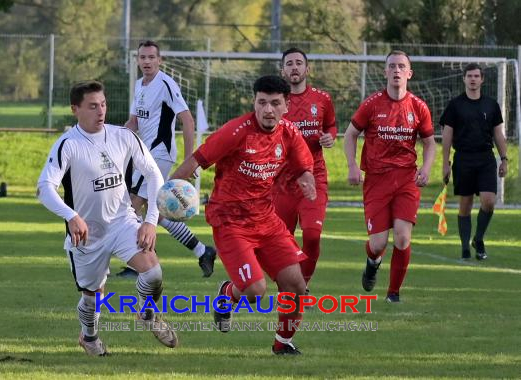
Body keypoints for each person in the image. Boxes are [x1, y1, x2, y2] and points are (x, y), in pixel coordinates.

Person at [170, 75, 316, 355]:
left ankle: (282, 345)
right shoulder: (236, 131)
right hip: (230, 221)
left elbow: (303, 166)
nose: (268, 110)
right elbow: (196, 161)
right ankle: (226, 295)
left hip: (266, 220)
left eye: (275, 103)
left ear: (286, 105)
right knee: (254, 291)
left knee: (296, 287)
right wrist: (169, 193)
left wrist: (307, 177)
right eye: (262, 103)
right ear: (254, 103)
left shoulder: (289, 133)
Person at [37, 80, 178, 356]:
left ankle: (146, 314)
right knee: (93, 296)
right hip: (88, 234)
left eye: (103, 104)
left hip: (123, 221)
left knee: (153, 272)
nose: (100, 111)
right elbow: (44, 188)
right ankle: (89, 337)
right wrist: (72, 216)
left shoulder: (123, 136)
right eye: (92, 106)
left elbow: (153, 174)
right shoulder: (67, 144)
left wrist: (150, 220)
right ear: (75, 109)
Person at [343, 50, 436, 303]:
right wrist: (352, 166)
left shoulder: (418, 107)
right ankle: (373, 261)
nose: (396, 70)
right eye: (392, 66)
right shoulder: (372, 104)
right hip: (376, 180)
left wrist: (426, 169)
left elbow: (430, 143)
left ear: (409, 73)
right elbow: (350, 134)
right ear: (385, 72)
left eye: (401, 66)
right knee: (378, 243)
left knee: (403, 237)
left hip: (406, 179)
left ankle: (393, 293)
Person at [124, 40, 216, 278]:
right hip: (143, 153)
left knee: (133, 204)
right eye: (142, 57)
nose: (146, 62)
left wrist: (189, 160)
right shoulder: (139, 85)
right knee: (159, 213)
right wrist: (116, 137)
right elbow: (134, 122)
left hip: (159, 153)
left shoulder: (166, 84)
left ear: (159, 60)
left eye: (151, 57)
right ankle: (202, 250)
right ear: (137, 60)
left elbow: (188, 120)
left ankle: (140, 265)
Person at [274, 47, 337, 295]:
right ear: (283, 70)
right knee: (281, 240)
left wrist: (330, 138)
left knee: (312, 235)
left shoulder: (322, 99)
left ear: (307, 69)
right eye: (289, 63)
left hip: (314, 178)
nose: (294, 67)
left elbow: (331, 126)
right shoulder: (276, 102)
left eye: (299, 63)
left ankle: (303, 285)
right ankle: (287, 287)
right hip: (281, 183)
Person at [440, 63, 508, 260]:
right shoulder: (455, 105)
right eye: (469, 76)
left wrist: (504, 159)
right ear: (464, 79)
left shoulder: (491, 105)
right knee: (465, 204)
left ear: (482, 79)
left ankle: (478, 239)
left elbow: (499, 134)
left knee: (489, 201)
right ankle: (464, 247)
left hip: (486, 158)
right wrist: (446, 163)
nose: (473, 79)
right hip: (463, 158)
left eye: (476, 76)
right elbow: (446, 136)